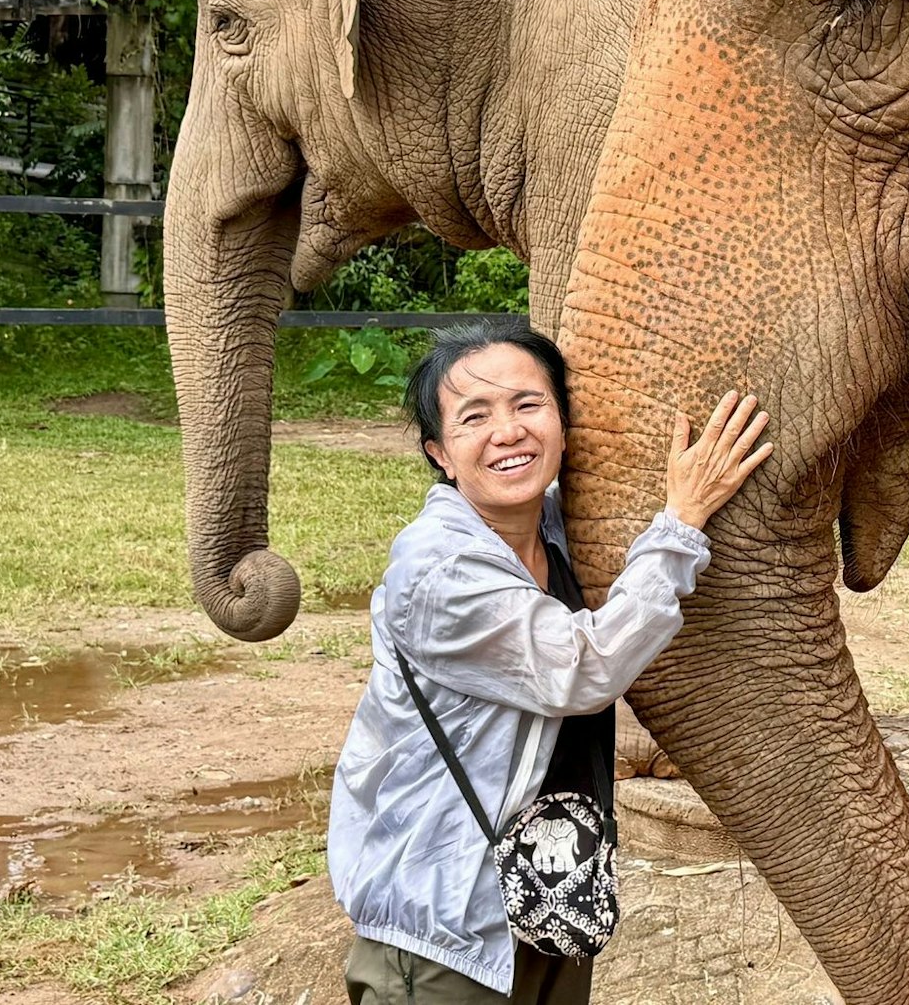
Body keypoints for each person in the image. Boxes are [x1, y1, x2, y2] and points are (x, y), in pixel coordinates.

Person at [328, 317, 770, 1005]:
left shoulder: (558, 528)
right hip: (446, 934)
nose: (507, 432)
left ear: (565, 424)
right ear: (440, 454)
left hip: (547, 901)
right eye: (474, 417)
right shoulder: (440, 572)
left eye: (528, 405)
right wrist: (682, 520)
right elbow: (584, 671)